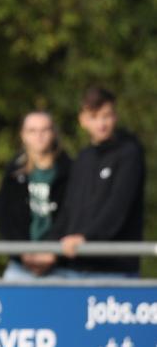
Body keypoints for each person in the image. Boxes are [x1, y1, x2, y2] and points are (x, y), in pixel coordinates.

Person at [44, 87, 145, 278]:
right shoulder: (83, 158)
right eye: (94, 116)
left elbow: (117, 207)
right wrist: (49, 246)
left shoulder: (129, 154)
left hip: (114, 270)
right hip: (75, 268)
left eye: (106, 115)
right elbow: (69, 209)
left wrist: (86, 238)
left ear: (115, 116)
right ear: (82, 120)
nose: (101, 123)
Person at [0, 111, 72, 280]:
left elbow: (73, 216)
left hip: (60, 266)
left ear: (54, 133)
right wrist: (23, 254)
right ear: (23, 135)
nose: (39, 136)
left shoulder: (71, 171)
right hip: (20, 266)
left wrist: (53, 253)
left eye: (44, 130)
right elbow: (5, 218)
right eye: (32, 131)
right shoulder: (13, 173)